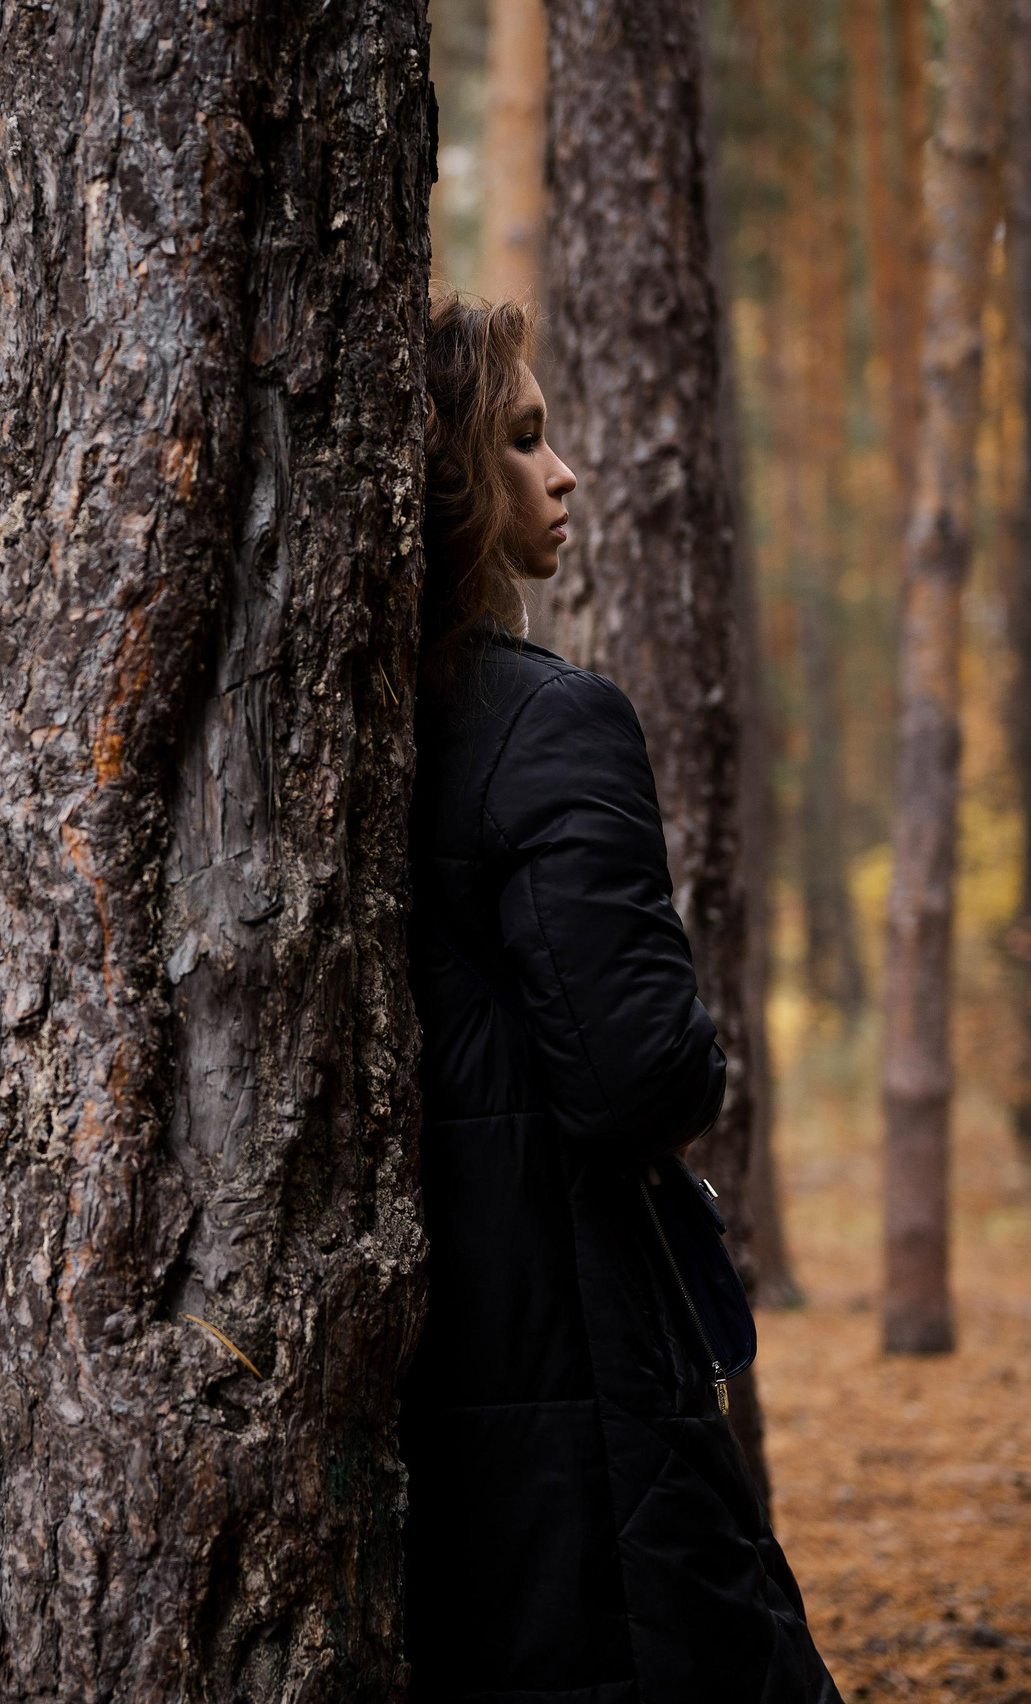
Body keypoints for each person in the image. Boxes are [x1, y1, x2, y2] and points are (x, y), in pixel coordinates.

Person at [400, 293, 842, 1703]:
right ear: (450, 478)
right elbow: (645, 1075)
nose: (565, 472)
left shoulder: (365, 732)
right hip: (578, 1350)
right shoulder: (550, 722)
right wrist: (702, 1049)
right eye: (524, 440)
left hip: (439, 1363)